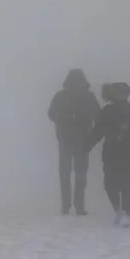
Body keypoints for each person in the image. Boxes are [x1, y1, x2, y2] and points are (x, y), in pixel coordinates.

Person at [88, 82, 130, 227]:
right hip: (111, 149)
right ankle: (118, 210)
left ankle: (126, 212)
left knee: (126, 183)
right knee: (110, 183)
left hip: (127, 149)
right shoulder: (107, 111)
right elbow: (98, 131)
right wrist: (87, 145)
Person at [48, 69, 100, 216]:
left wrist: (64, 120)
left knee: (72, 174)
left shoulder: (61, 96)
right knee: (77, 174)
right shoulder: (87, 96)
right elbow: (52, 114)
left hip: (73, 139)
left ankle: (70, 206)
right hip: (75, 139)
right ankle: (74, 206)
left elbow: (51, 114)